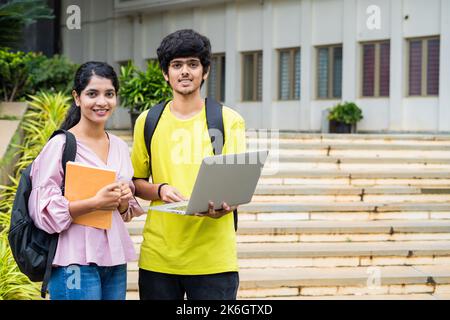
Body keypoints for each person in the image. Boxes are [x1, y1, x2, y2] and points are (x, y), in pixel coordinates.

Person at [131, 29, 246, 300]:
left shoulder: (228, 120)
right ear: (165, 73)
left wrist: (223, 207)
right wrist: (160, 190)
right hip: (159, 258)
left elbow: (238, 185)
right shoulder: (147, 121)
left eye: (193, 64)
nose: (185, 71)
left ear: (205, 72)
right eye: (177, 65)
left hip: (213, 259)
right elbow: (136, 183)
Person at [28, 61, 144, 300]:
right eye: (92, 93)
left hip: (114, 259)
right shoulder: (60, 145)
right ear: (77, 97)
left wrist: (123, 201)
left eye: (109, 94)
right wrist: (95, 202)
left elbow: (126, 210)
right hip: (73, 260)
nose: (102, 102)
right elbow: (42, 211)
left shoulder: (120, 146)